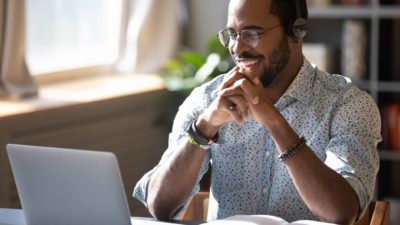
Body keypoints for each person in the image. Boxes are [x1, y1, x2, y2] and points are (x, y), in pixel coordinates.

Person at [133, 0, 381, 224]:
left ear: (296, 31)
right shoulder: (207, 100)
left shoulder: (347, 104)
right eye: (232, 34)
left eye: (251, 33)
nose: (237, 48)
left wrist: (274, 121)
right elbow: (160, 207)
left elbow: (342, 212)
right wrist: (204, 128)